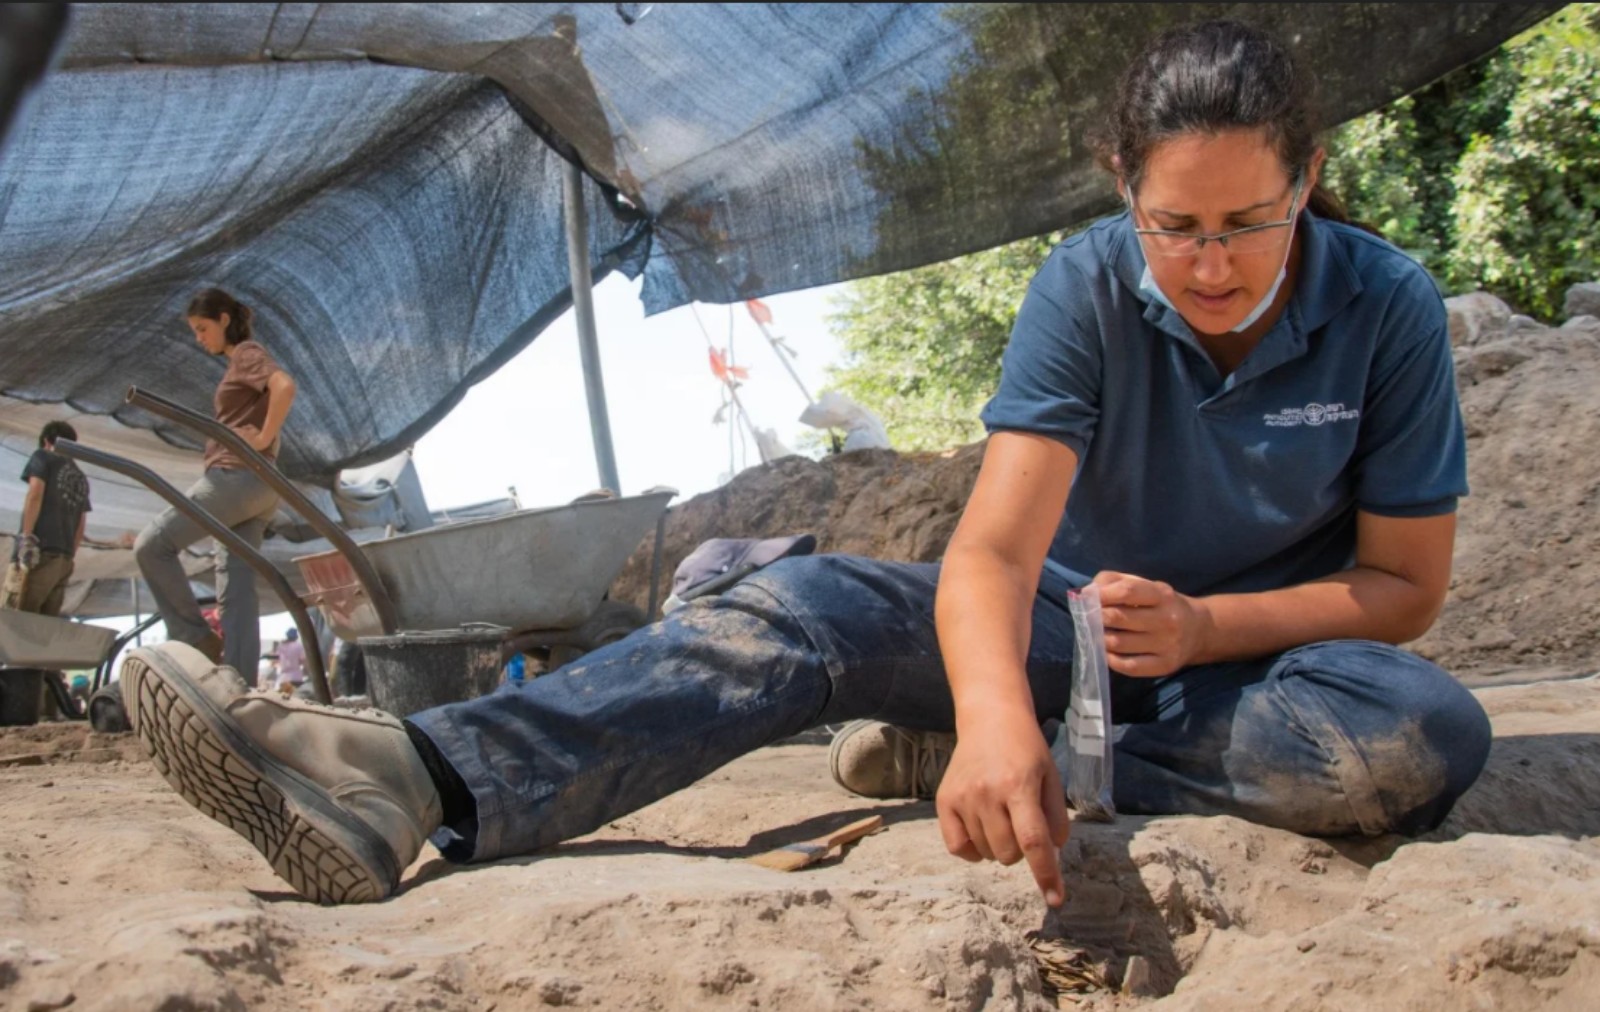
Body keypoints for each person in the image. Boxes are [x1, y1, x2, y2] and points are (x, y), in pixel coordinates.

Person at [117, 20, 1490, 907]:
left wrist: (1202, 628)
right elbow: (993, 555)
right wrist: (1000, 712)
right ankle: (411, 778)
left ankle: (1018, 757)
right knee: (799, 606)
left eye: (1250, 222)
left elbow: (1402, 587)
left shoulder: (1386, 307)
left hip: (1262, 672)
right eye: (1173, 225)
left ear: (1310, 174)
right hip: (1061, 639)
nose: (1209, 263)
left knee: (1419, 734)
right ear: (1119, 182)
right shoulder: (1083, 289)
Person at [134, 288, 297, 676]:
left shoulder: (246, 353)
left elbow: (284, 386)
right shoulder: (239, 363)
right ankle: (239, 683)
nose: (199, 338)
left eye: (203, 328)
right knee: (237, 589)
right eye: (194, 330)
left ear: (224, 319)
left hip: (235, 478)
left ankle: (195, 639)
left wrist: (263, 437)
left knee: (152, 546)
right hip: (261, 489)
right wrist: (264, 439)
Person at [13, 421, 92, 617]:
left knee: (20, 619)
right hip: (64, 561)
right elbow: (81, 524)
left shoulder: (43, 456)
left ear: (47, 441)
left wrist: (26, 538)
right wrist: (69, 556)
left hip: (39, 553)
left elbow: (35, 494)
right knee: (46, 625)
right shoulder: (81, 477)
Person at [275, 628, 306, 695]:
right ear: (296, 636)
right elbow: (302, 660)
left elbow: (277, 659)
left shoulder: (281, 646)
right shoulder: (299, 646)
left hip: (283, 678)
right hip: (296, 677)